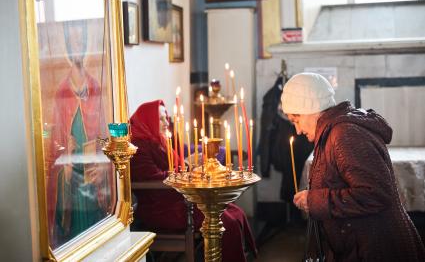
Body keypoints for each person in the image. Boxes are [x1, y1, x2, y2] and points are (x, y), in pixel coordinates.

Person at [281, 72, 425, 261]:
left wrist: (315, 200)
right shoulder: (332, 132)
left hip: (377, 248)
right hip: (359, 244)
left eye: (296, 120)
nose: (298, 130)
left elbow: (375, 194)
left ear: (310, 108)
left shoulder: (345, 134)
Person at [129, 100, 257, 262]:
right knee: (226, 221)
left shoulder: (158, 140)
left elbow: (175, 168)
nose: (166, 122)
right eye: (161, 118)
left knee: (235, 212)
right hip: (161, 208)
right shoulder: (137, 147)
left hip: (177, 200)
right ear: (147, 120)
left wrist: (189, 167)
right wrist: (188, 166)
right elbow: (153, 180)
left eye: (166, 117)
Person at [46, 20, 113, 248]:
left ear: (86, 45)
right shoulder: (61, 93)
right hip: (70, 183)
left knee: (96, 240)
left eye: (80, 40)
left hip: (93, 180)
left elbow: (105, 137)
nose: (77, 45)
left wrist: (103, 166)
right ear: (66, 46)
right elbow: (52, 149)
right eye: (72, 41)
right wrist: (65, 152)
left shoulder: (94, 88)